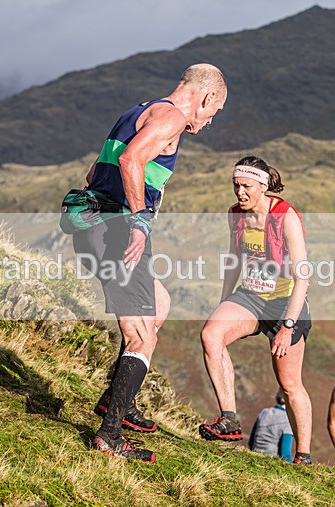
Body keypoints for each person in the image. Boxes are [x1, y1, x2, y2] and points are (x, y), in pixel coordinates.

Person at [73, 64, 227, 463]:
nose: (210, 121)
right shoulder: (172, 117)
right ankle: (109, 435)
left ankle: (116, 399)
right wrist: (139, 222)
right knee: (142, 335)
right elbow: (130, 160)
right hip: (119, 229)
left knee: (158, 305)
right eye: (214, 112)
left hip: (96, 223)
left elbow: (94, 171)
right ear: (207, 97)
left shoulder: (140, 110)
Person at [199, 156, 314, 465]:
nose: (240, 192)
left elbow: (303, 277)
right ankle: (229, 419)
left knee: (289, 384)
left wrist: (287, 326)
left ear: (263, 186)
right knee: (211, 335)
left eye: (246, 186)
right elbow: (234, 259)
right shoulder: (235, 215)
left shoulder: (285, 216)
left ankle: (303, 455)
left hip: (285, 304)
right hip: (250, 297)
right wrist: (224, 302)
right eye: (236, 186)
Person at [249, 389, 293, 461]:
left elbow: (251, 441)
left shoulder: (264, 412)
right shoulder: (287, 419)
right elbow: (285, 454)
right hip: (272, 459)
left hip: (255, 457)